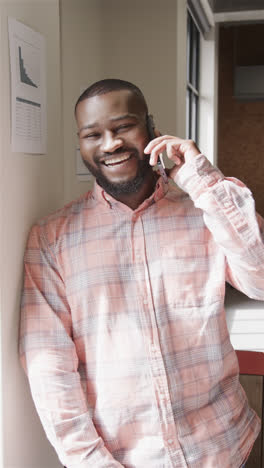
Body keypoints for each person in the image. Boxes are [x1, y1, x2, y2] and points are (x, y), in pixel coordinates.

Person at [19, 78, 264, 468]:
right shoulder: (52, 239)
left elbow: (260, 280)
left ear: (152, 127)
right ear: (80, 145)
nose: (110, 143)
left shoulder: (203, 213)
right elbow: (49, 369)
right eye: (92, 134)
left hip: (228, 447)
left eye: (123, 127)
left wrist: (203, 179)